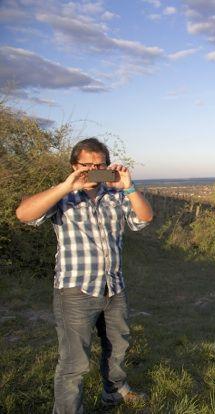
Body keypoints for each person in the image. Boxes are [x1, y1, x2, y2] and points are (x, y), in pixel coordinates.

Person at [15, 138, 153, 413]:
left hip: (114, 287)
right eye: (86, 165)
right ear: (74, 166)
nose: (93, 169)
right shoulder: (62, 196)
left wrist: (129, 187)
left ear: (107, 166)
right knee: (74, 363)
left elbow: (144, 218)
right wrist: (67, 185)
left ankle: (113, 393)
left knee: (118, 350)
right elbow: (24, 214)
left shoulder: (116, 195)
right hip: (76, 290)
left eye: (99, 165)